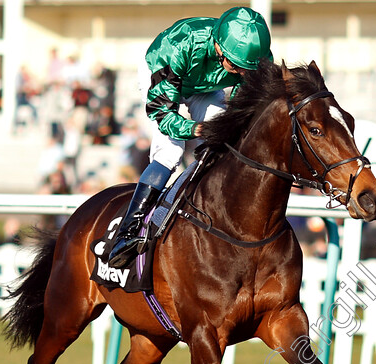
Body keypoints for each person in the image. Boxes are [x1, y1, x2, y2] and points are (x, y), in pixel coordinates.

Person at [108, 6, 272, 268]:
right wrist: (194, 129)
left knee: (218, 146)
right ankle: (128, 232)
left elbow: (245, 109)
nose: (241, 73)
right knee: (171, 151)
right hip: (163, 74)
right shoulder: (180, 47)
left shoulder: (253, 57)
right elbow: (163, 114)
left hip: (205, 86)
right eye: (237, 66)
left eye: (246, 69)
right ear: (219, 48)